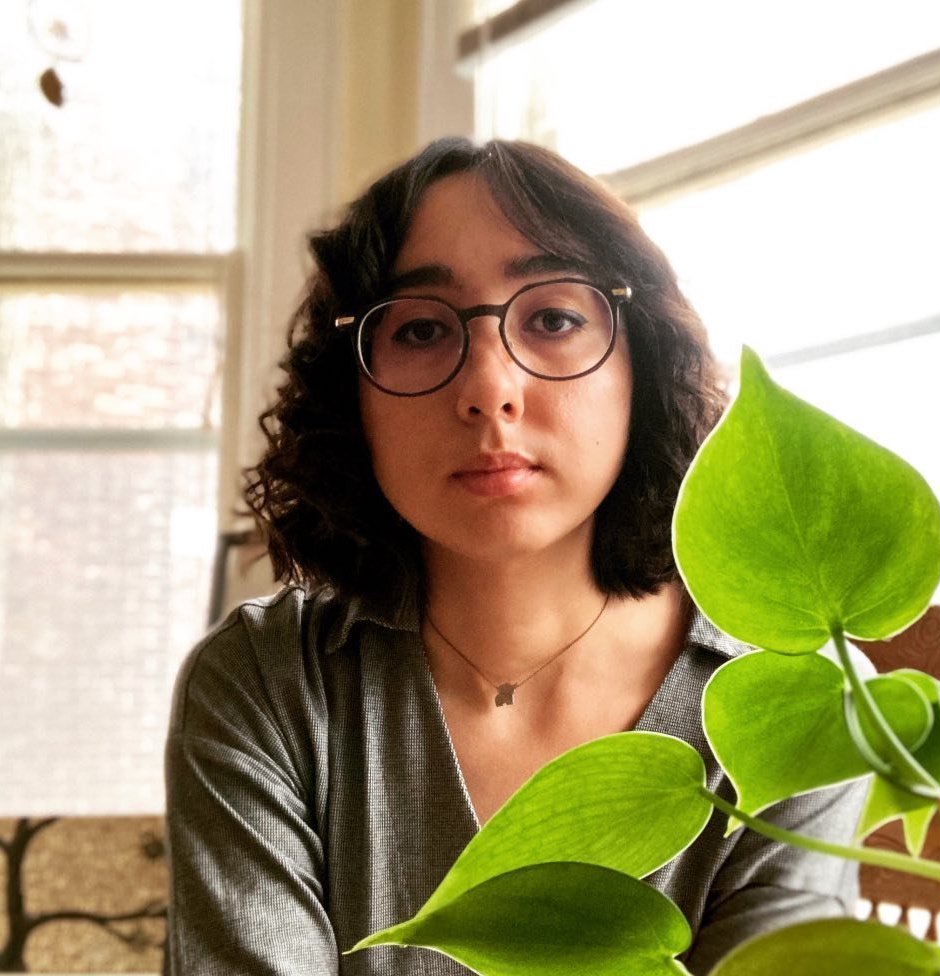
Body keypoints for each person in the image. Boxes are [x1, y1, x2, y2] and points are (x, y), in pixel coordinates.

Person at [164, 137, 865, 975]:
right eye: (421, 329)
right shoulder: (269, 686)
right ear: (350, 393)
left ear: (641, 360)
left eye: (555, 319)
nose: (489, 388)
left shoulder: (798, 700)